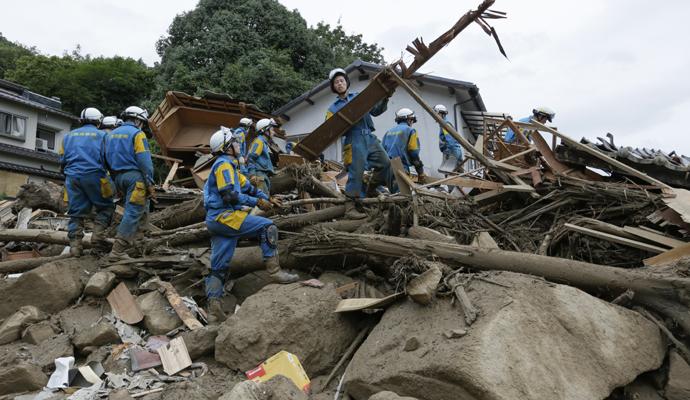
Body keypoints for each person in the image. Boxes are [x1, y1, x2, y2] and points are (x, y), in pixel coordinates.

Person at [204, 128, 298, 323]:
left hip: (217, 220)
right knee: (268, 226)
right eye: (234, 142)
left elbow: (249, 188)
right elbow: (229, 195)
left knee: (219, 265)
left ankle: (213, 309)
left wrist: (268, 198)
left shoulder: (231, 166)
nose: (238, 144)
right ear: (227, 147)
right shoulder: (223, 166)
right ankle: (274, 272)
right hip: (225, 217)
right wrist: (256, 203)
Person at [326, 68, 394, 215]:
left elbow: (376, 111)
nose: (339, 83)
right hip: (353, 139)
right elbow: (329, 130)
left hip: (369, 137)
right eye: (336, 82)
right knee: (356, 172)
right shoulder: (332, 109)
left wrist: (385, 97)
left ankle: (370, 187)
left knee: (385, 163)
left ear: (347, 82)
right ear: (333, 87)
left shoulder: (359, 97)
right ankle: (350, 207)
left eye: (342, 80)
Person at [59, 107, 115, 257]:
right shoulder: (103, 136)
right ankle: (97, 238)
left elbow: (62, 160)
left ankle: (75, 247)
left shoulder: (68, 136)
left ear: (81, 120)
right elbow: (109, 158)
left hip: (72, 177)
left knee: (76, 213)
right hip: (96, 176)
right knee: (107, 207)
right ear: (98, 121)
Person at [104, 106, 154, 262]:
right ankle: (118, 250)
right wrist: (150, 182)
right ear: (138, 120)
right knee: (133, 212)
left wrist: (115, 181)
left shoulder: (111, 135)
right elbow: (144, 161)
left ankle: (138, 242)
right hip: (135, 178)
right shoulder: (138, 134)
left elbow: (105, 159)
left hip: (117, 177)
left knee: (142, 207)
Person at [382, 108, 426, 184]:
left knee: (391, 194)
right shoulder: (411, 130)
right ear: (409, 120)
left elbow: (382, 150)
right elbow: (414, 152)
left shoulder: (388, 132)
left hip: (387, 168)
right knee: (403, 194)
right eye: (412, 120)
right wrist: (420, 172)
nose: (412, 123)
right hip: (401, 168)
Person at [247, 118, 277, 194]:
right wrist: (252, 175)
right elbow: (251, 158)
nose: (274, 132)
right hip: (259, 176)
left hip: (263, 175)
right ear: (266, 131)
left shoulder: (263, 143)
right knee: (263, 201)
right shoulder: (259, 141)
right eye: (272, 130)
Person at [434, 104, 463, 172]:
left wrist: (449, 154)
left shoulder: (445, 124)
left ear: (441, 114)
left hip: (452, 152)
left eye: (436, 114)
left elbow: (450, 141)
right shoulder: (444, 124)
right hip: (455, 151)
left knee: (450, 175)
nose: (435, 116)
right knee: (459, 176)